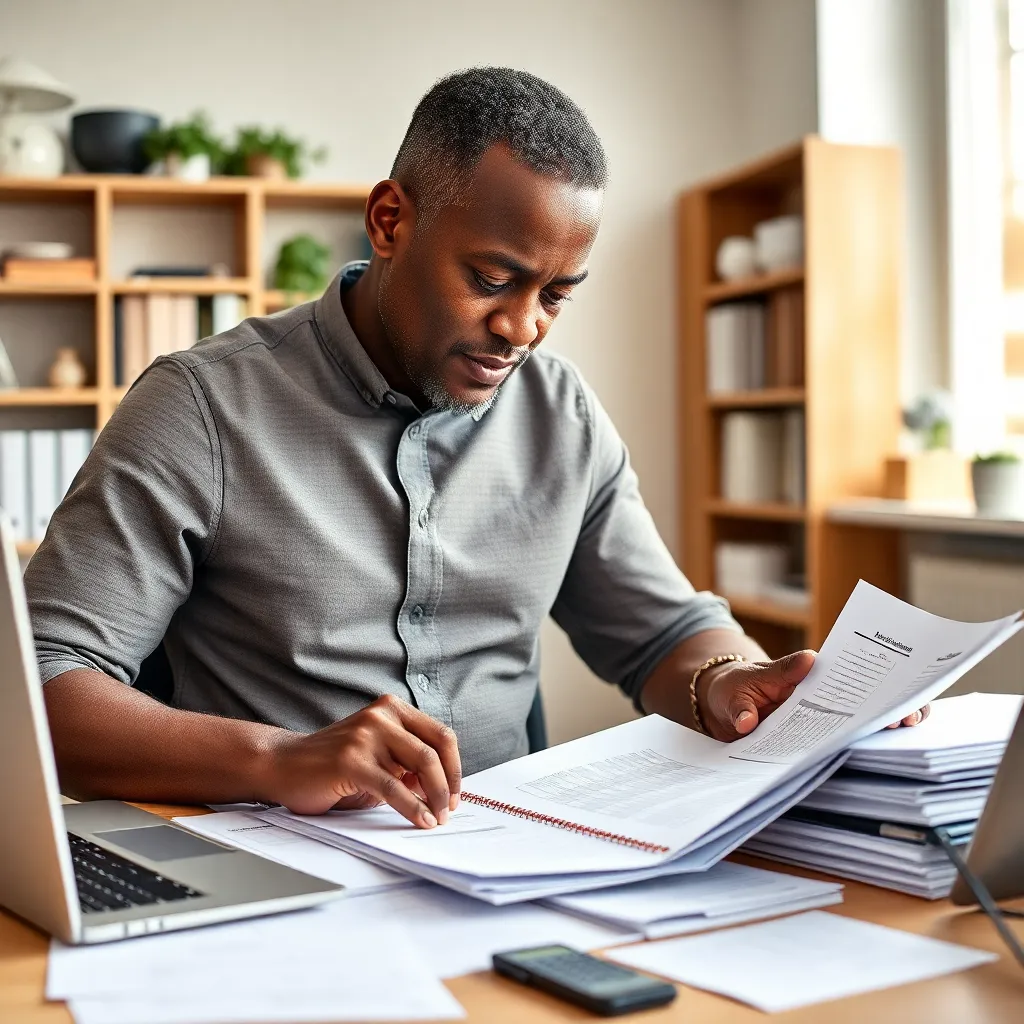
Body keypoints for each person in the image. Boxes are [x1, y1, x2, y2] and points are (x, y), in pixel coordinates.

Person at [27, 68, 926, 832]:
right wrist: (278, 758)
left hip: (505, 867)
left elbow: (661, 632)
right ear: (390, 221)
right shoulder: (201, 407)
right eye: (493, 279)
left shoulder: (560, 416)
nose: (522, 327)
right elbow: (37, 683)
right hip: (272, 870)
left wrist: (732, 679)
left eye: (556, 295)